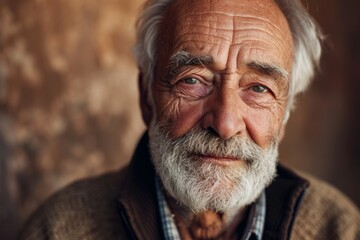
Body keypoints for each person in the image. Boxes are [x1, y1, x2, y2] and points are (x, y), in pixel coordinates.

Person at [19, 0, 360, 239]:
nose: (225, 124)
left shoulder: (338, 228)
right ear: (147, 96)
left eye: (258, 88)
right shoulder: (61, 229)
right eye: (193, 80)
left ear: (284, 115)